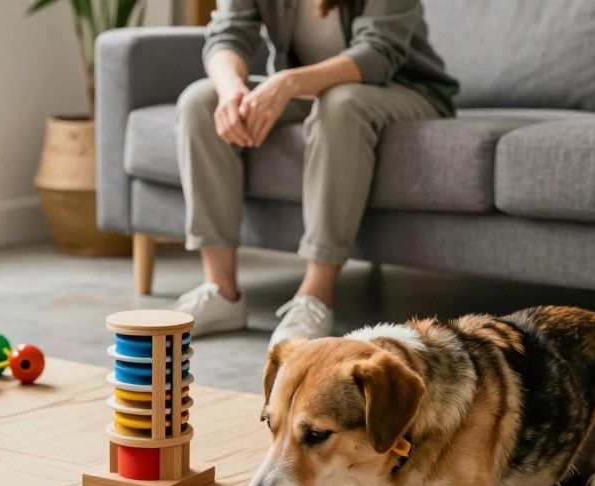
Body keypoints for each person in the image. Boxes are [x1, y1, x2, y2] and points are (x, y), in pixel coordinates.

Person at [172, 0, 457, 345]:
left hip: (403, 89)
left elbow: (377, 53)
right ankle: (221, 290)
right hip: (312, 90)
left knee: (340, 105)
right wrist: (231, 88)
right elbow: (227, 34)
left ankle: (315, 297)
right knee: (200, 103)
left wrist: (288, 83)